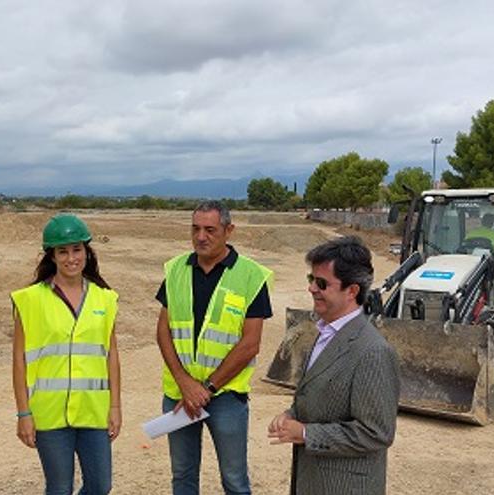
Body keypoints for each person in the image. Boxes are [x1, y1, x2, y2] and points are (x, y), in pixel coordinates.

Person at [155, 200, 273, 495]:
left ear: (228, 230)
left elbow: (250, 344)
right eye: (195, 229)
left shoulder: (250, 276)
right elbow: (163, 332)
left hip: (225, 397)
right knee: (182, 477)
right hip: (179, 395)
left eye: (210, 229)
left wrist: (205, 388)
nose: (201, 237)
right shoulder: (176, 270)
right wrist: (185, 384)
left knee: (234, 479)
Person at [268, 236, 399, 495]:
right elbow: (320, 396)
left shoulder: (373, 351)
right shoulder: (325, 333)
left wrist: (306, 433)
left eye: (321, 283)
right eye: (311, 280)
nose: (312, 289)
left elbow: (377, 432)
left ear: (352, 291)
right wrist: (292, 413)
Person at [11, 214, 121, 495]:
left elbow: (111, 356)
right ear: (52, 256)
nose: (71, 258)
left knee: (100, 485)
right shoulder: (29, 299)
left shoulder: (105, 299)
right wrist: (24, 413)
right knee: (59, 488)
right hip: (49, 414)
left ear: (87, 251)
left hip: (93, 411)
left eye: (77, 249)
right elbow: (19, 362)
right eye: (63, 251)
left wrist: (115, 407)